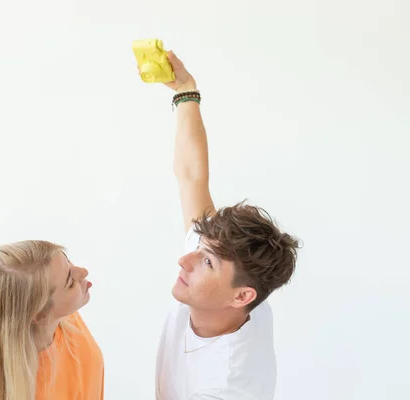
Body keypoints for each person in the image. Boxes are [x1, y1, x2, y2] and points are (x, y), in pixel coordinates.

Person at [153, 51, 300, 400]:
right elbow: (191, 177)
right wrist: (185, 90)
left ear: (242, 297)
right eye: (200, 251)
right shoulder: (235, 289)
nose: (185, 260)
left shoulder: (226, 386)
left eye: (206, 262)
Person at [0, 240, 103, 400]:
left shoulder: (63, 316)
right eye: (69, 283)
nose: (82, 272)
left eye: (67, 260)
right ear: (39, 314)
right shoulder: (30, 392)